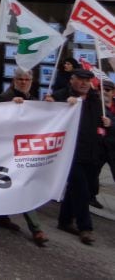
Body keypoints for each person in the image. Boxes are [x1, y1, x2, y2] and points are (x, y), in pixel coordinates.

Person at [47, 68, 111, 244]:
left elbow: (105, 121)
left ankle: (65, 220)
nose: (84, 83)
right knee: (82, 191)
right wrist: (58, 104)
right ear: (72, 80)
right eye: (80, 79)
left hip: (91, 154)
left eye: (87, 80)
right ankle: (86, 228)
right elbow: (47, 113)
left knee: (81, 188)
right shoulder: (61, 95)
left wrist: (108, 122)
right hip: (70, 154)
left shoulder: (95, 99)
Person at [0, 68, 49, 246]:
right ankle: (35, 228)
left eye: (27, 79)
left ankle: (34, 227)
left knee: (22, 185)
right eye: (20, 79)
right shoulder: (4, 97)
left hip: (23, 152)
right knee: (10, 184)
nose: (23, 82)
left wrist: (49, 106)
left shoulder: (32, 100)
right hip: (6, 151)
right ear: (14, 80)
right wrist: (9, 104)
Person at [92, 79, 115, 208]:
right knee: (93, 173)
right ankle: (91, 196)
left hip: (113, 146)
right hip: (99, 146)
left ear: (113, 92)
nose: (104, 92)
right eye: (101, 89)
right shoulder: (94, 105)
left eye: (107, 90)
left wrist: (111, 124)